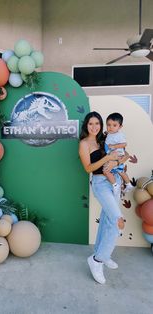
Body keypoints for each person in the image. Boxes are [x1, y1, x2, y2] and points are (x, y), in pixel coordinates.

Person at [79, 111, 129, 284]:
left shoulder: (106, 138)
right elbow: (88, 168)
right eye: (91, 123)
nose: (94, 127)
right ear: (86, 125)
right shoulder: (84, 144)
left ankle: (102, 254)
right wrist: (107, 158)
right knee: (117, 220)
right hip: (100, 183)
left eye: (97, 123)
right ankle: (97, 260)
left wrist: (116, 162)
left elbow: (125, 155)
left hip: (113, 182)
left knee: (108, 220)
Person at [104, 112, 134, 197]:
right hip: (113, 155)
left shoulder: (119, 135)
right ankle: (128, 184)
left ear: (120, 127)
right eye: (108, 125)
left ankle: (115, 185)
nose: (111, 127)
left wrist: (114, 146)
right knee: (120, 171)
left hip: (117, 155)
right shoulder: (110, 134)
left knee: (106, 170)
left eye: (114, 125)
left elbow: (124, 144)